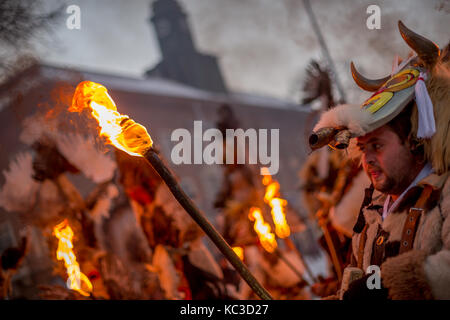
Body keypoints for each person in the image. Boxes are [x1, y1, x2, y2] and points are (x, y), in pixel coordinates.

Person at [309, 21, 449, 299]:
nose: (367, 159)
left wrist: (389, 284)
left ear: (414, 140)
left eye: (377, 145)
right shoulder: (372, 214)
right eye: (362, 148)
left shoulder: (445, 193)